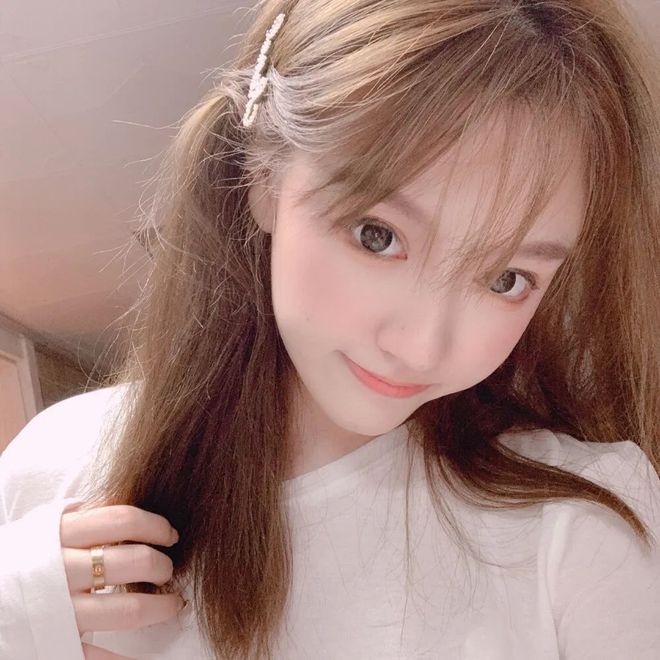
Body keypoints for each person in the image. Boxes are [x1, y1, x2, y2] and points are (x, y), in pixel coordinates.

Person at [1, 0, 659, 658]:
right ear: (263, 180)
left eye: (507, 278)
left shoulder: (586, 520)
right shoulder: (62, 459)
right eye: (378, 236)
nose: (421, 347)